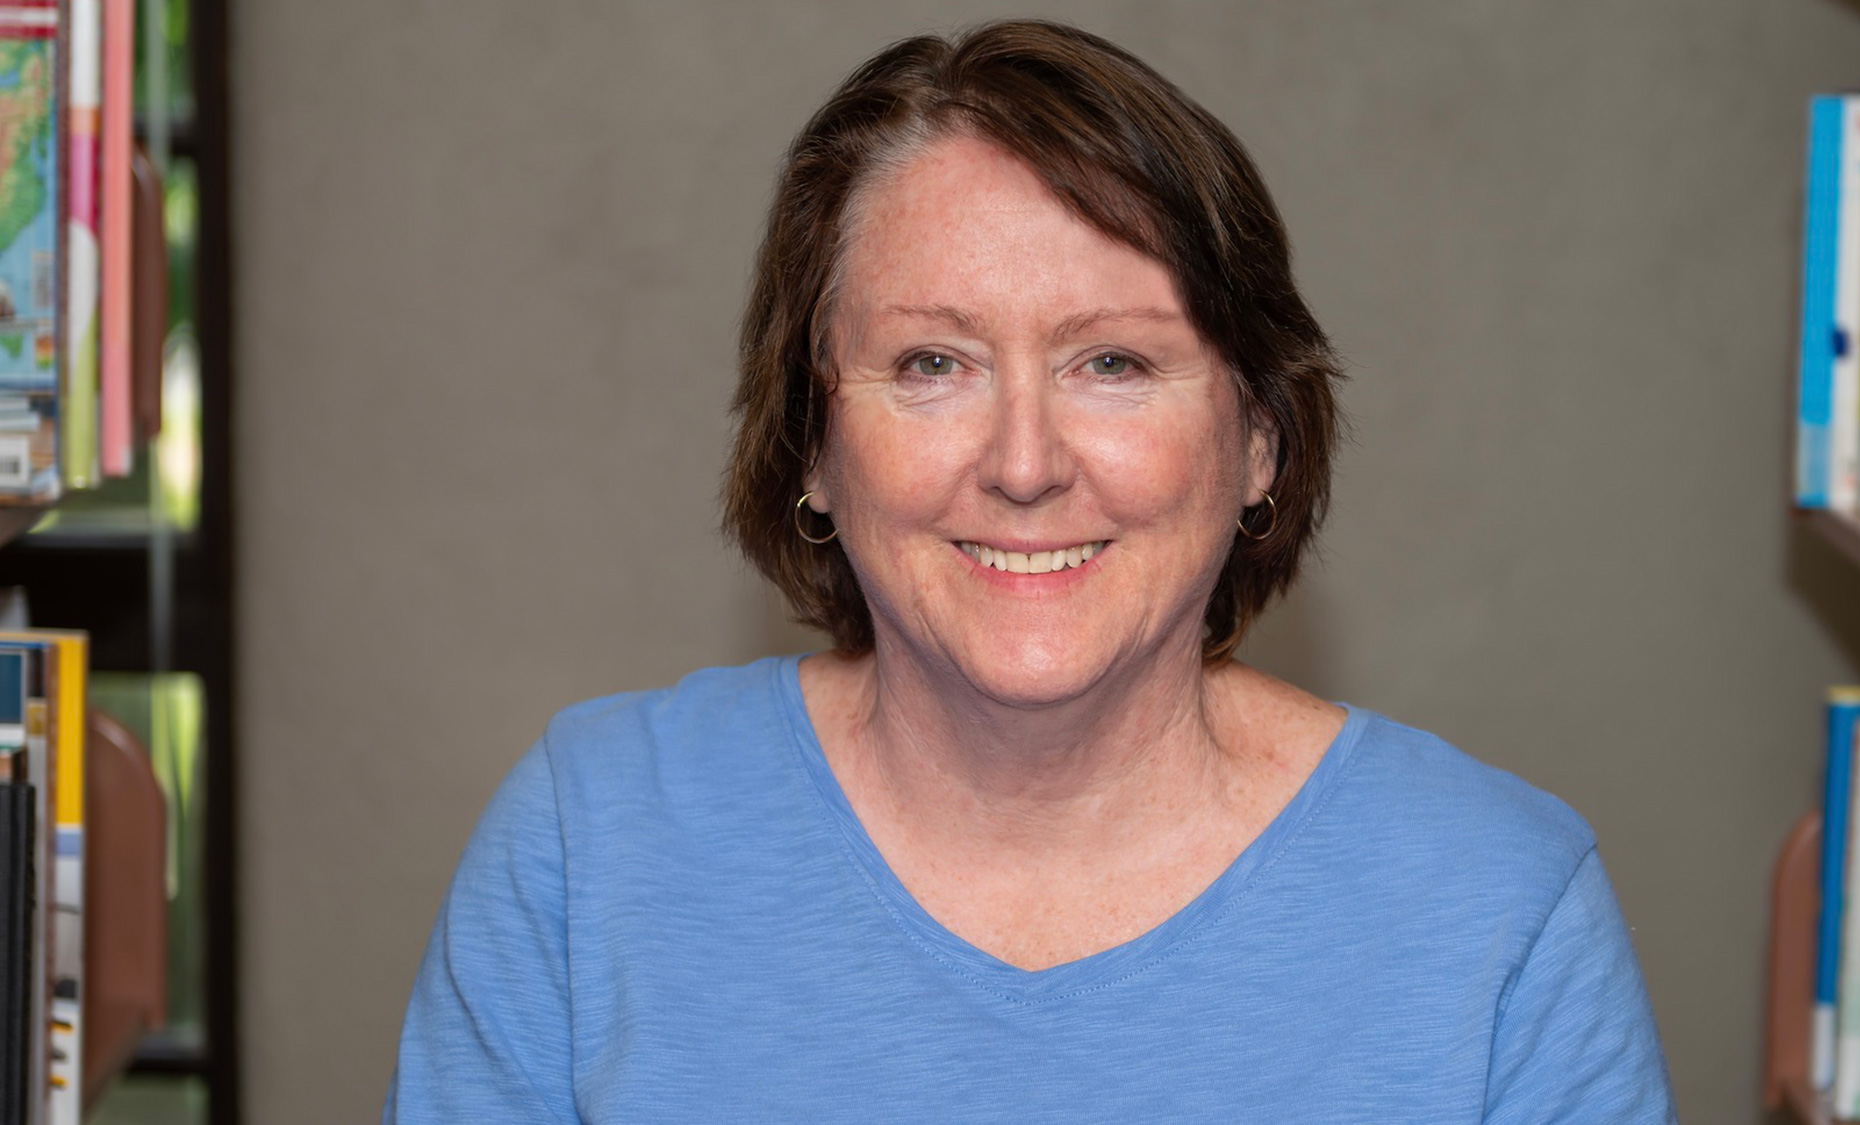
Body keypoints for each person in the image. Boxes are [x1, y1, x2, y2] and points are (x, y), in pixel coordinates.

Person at [383, 19, 1675, 1123]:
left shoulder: (1503, 917)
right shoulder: (583, 853)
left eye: (1111, 361)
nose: (1022, 461)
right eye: (932, 364)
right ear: (814, 450)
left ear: (1260, 441)